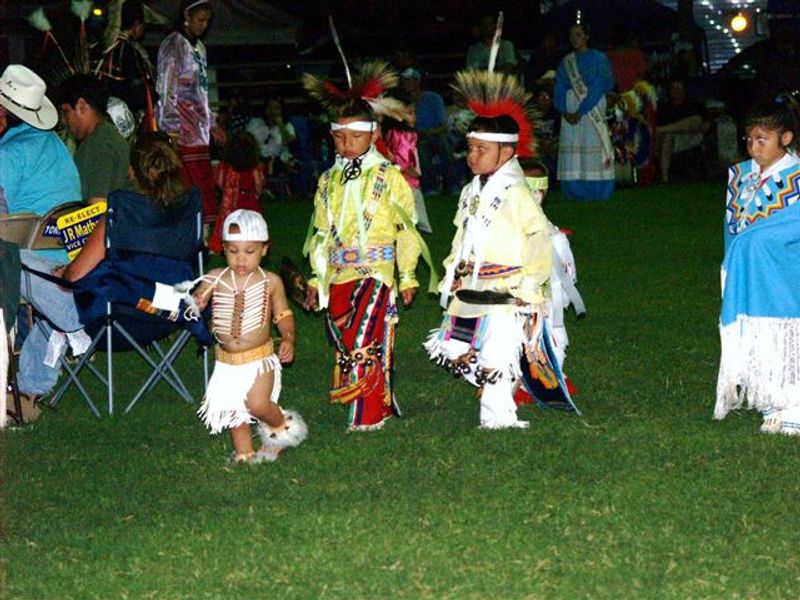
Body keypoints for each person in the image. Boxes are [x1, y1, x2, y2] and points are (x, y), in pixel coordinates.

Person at [302, 60, 433, 431]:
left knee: (362, 338)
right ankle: (379, 401)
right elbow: (321, 233)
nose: (346, 144)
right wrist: (316, 276)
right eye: (339, 137)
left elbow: (406, 230)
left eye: (354, 137)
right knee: (345, 336)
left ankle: (367, 417)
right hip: (340, 272)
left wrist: (406, 275)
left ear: (373, 135)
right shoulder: (328, 180)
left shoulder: (390, 177)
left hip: (377, 271)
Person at [16, 133, 198, 397]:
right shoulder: (187, 212)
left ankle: (33, 383)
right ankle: (31, 384)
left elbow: (73, 277)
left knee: (17, 259)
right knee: (53, 298)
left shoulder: (123, 211)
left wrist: (65, 272)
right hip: (168, 314)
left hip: (112, 319)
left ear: (132, 172)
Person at [424, 68, 553, 429]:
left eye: (482, 149)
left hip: (506, 290)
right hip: (471, 287)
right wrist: (452, 272)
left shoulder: (516, 192)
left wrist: (530, 287)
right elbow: (460, 237)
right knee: (453, 348)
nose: (472, 155)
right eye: (470, 148)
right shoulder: (471, 190)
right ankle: (499, 393)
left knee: (496, 352)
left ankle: (498, 419)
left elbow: (538, 238)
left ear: (507, 152)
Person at [192, 209, 307, 463]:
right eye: (233, 252)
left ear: (264, 249)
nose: (241, 259)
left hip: (259, 359)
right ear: (223, 249)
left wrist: (288, 338)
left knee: (256, 404)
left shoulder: (271, 282)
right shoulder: (215, 277)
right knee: (234, 408)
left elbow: (283, 315)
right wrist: (196, 302)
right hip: (226, 362)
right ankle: (244, 453)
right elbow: (197, 299)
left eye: (249, 251)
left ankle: (280, 427)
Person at [714, 95, 800, 436]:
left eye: (762, 139)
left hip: (784, 279)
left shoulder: (796, 178)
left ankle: (794, 400)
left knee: (785, 333)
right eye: (749, 139)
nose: (753, 147)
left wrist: (756, 242)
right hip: (746, 275)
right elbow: (731, 228)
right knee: (754, 333)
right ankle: (769, 398)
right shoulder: (739, 177)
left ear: (786, 138)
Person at [0, 64, 80, 262]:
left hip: (30, 268)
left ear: (2, 112)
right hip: (69, 263)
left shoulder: (10, 154)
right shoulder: (54, 142)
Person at [156, 0, 223, 221]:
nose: (204, 26)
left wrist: (212, 123)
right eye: (200, 19)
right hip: (181, 133)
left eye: (207, 21)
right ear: (187, 15)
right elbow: (167, 89)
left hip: (199, 133)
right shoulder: (174, 44)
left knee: (202, 192)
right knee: (185, 192)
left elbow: (201, 91)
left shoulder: (199, 48)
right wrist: (171, 130)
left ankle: (201, 241)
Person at [555, 22, 615, 201]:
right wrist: (564, 110)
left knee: (593, 144)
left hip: (592, 105)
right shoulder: (566, 61)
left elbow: (600, 84)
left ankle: (598, 189)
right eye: (572, 35)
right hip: (570, 106)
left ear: (587, 36)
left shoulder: (599, 58)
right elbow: (559, 86)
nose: (575, 39)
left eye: (579, 34)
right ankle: (573, 189)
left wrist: (582, 109)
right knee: (573, 147)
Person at [57, 74, 130, 205]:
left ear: (81, 106)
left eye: (66, 111)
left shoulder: (97, 144)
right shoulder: (111, 136)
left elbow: (97, 207)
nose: (63, 120)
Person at [94, 0, 158, 133]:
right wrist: (153, 96)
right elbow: (140, 92)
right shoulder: (129, 51)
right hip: (118, 122)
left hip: (95, 117)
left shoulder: (97, 48)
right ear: (137, 25)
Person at [207, 131, 265, 253]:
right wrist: (257, 194)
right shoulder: (254, 167)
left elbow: (219, 181)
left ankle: (227, 244)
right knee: (251, 224)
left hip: (231, 202)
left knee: (229, 224)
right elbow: (258, 184)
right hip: (249, 200)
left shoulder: (226, 166)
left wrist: (228, 191)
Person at [381, 98, 433, 233]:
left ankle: (415, 225)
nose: (414, 117)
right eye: (410, 113)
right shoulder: (402, 134)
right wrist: (409, 170)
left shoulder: (394, 133)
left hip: (401, 173)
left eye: (414, 113)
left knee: (408, 201)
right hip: (404, 175)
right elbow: (402, 154)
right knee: (411, 199)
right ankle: (420, 226)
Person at [400, 68, 453, 195]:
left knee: (442, 143)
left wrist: (429, 133)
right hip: (416, 138)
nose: (406, 83)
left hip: (436, 134)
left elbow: (443, 126)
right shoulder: (403, 102)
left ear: (417, 82)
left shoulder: (433, 98)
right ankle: (431, 188)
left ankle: (452, 185)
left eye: (409, 80)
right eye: (404, 81)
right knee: (421, 148)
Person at [655, 77, 706, 183]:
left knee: (695, 120)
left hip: (690, 137)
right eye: (673, 88)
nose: (676, 90)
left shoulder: (693, 105)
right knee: (667, 137)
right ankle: (664, 178)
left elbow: (702, 123)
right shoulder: (663, 107)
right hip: (669, 139)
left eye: (679, 87)